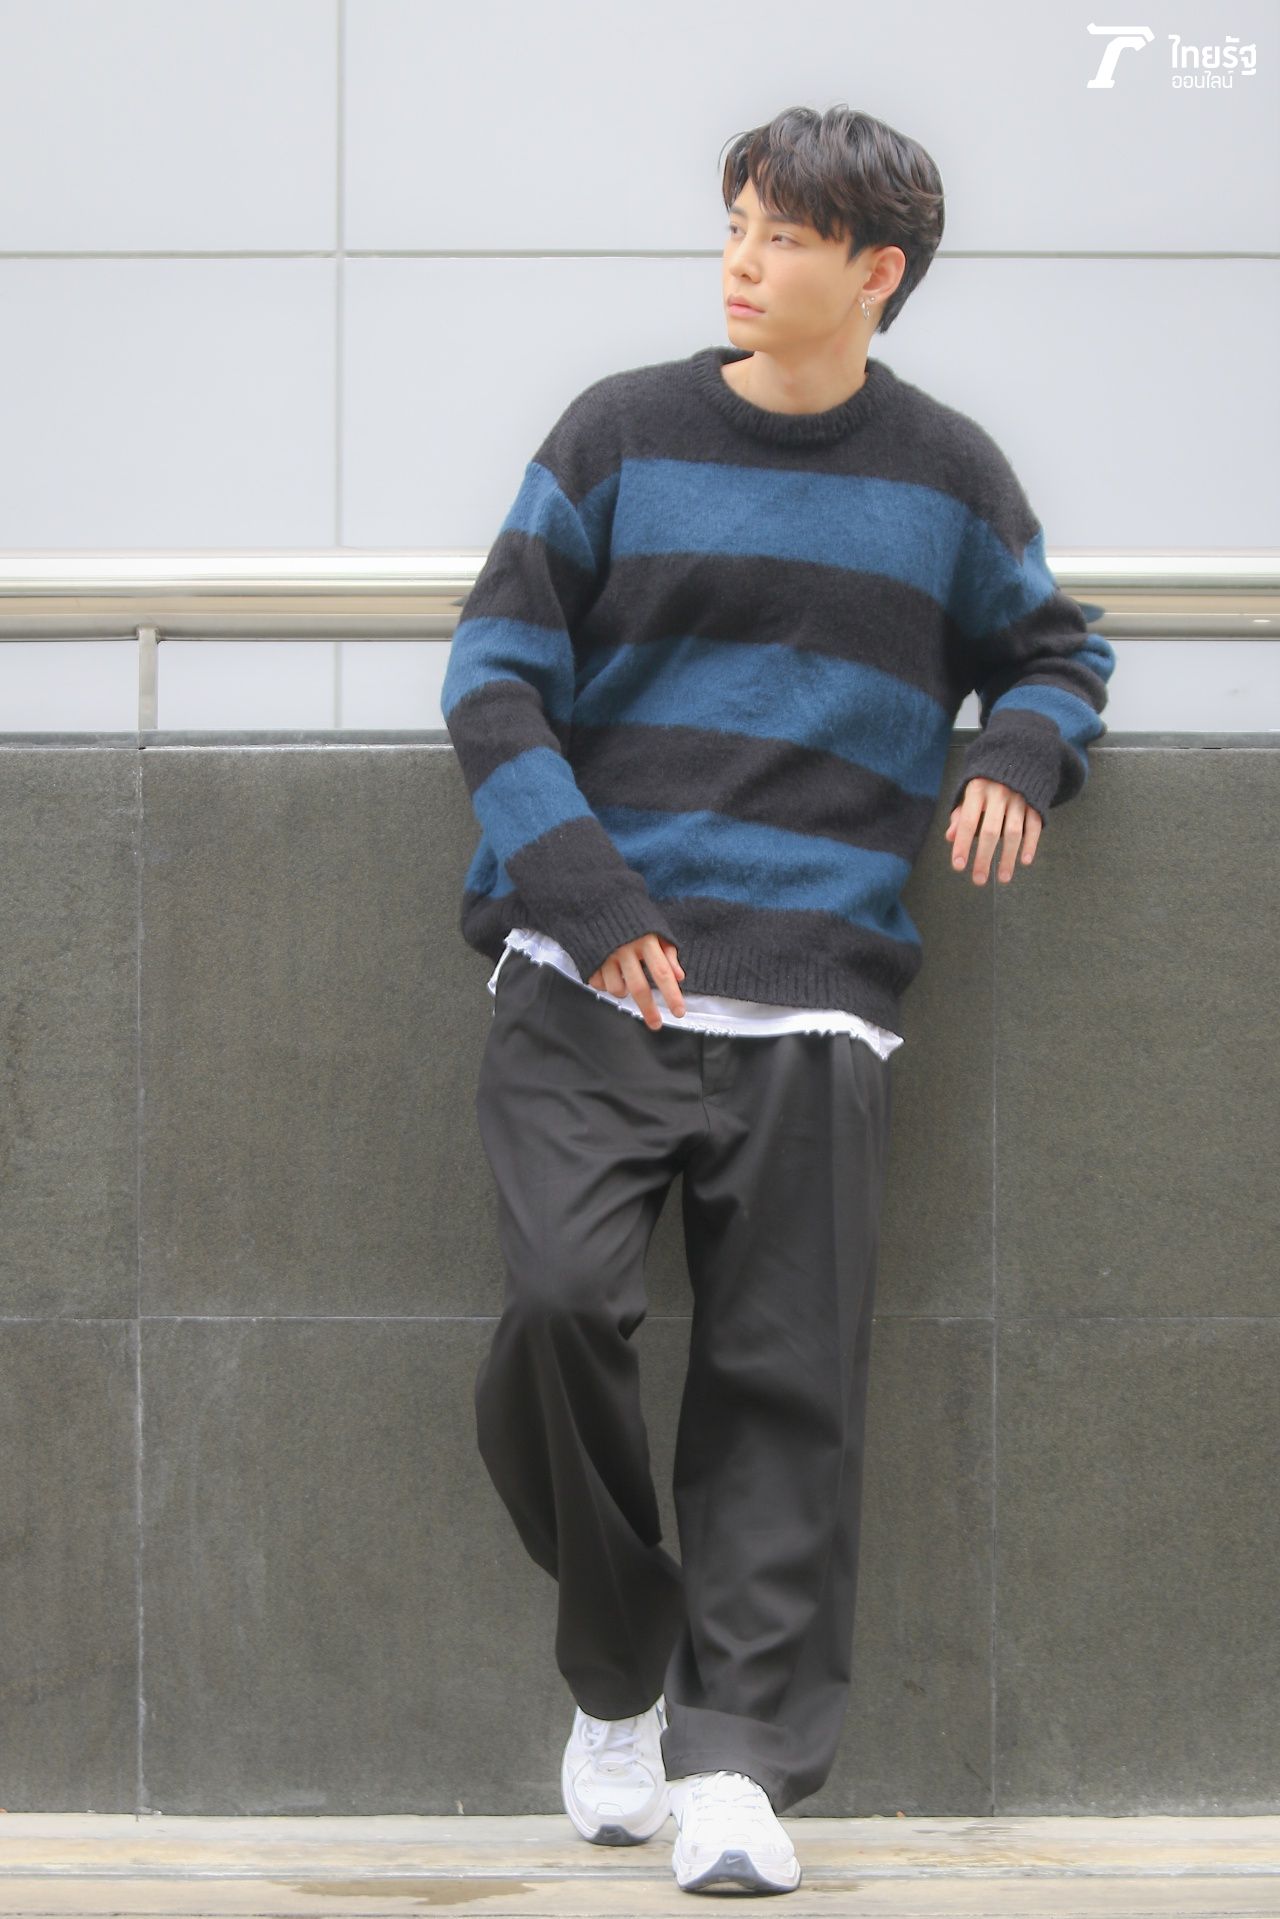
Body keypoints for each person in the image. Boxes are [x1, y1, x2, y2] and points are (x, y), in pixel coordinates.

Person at [441, 102, 1116, 1897]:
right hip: (591, 978)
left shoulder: (950, 477)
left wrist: (1022, 754)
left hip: (818, 998)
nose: (739, 262)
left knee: (784, 1394)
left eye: (781, 237)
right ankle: (622, 1671)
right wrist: (588, 894)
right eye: (735, 223)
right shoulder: (617, 433)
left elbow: (1059, 651)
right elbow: (493, 677)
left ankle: (737, 1769)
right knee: (557, 1313)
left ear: (876, 272)